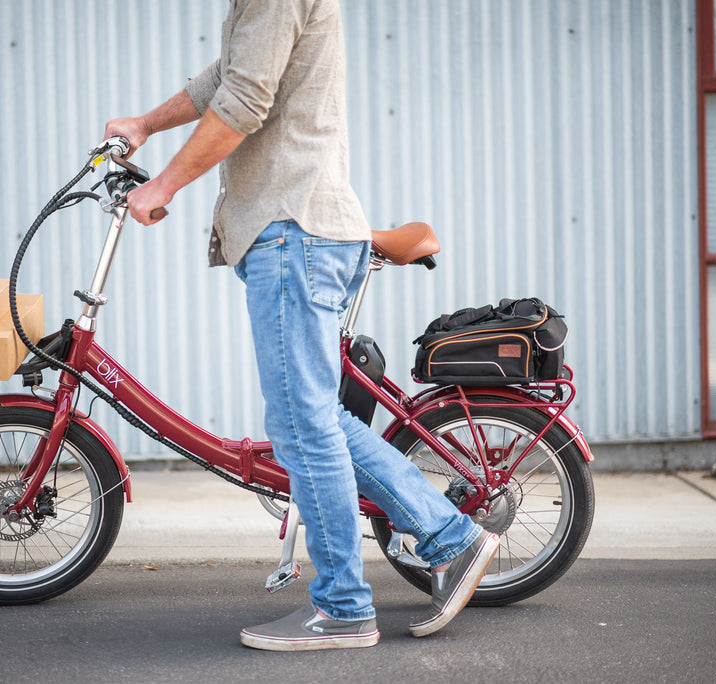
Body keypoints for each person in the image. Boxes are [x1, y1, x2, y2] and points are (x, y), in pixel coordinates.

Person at [104, 0, 498, 652]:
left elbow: (245, 101)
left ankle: (345, 606)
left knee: (303, 422)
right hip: (294, 232)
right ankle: (450, 539)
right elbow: (225, 77)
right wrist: (146, 124)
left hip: (295, 230)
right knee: (311, 418)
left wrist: (164, 186)